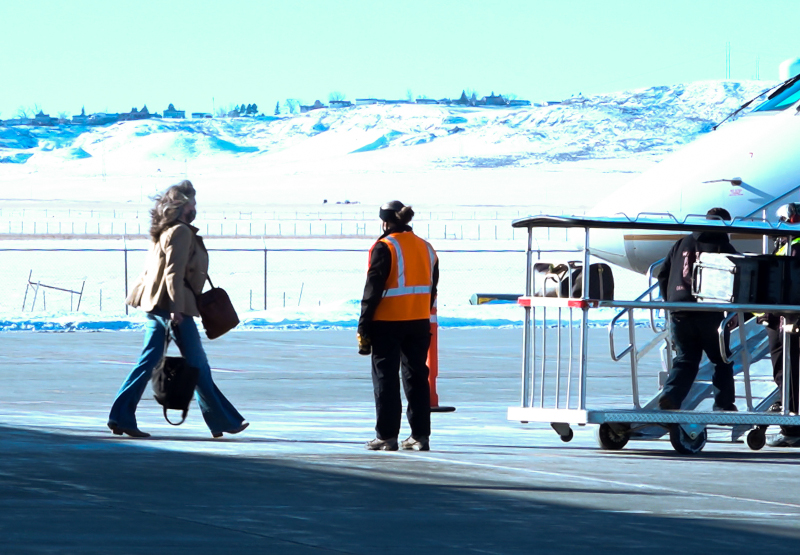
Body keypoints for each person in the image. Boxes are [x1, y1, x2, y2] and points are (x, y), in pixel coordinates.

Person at [107, 180, 248, 438]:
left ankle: (120, 416)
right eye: (192, 203)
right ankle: (223, 420)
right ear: (183, 206)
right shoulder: (180, 231)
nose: (195, 208)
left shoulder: (165, 230)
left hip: (157, 304)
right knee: (197, 364)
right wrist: (175, 309)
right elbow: (173, 272)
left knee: (149, 361)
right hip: (174, 307)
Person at [358, 200, 439, 451]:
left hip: (387, 322)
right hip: (418, 321)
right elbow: (432, 287)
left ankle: (386, 436)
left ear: (385, 222)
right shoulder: (426, 247)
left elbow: (373, 289)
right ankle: (420, 436)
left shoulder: (385, 246)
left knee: (386, 379)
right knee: (417, 378)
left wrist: (364, 324)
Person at [657, 207, 738, 411]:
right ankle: (724, 405)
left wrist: (670, 301)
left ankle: (670, 397)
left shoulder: (681, 243)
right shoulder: (722, 246)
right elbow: (737, 278)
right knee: (721, 359)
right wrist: (734, 311)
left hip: (679, 310)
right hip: (708, 311)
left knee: (685, 358)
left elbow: (663, 274)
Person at [765, 203, 800, 447]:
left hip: (787, 320)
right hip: (782, 317)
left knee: (787, 372)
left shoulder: (792, 248)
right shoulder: (787, 247)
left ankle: (792, 429)